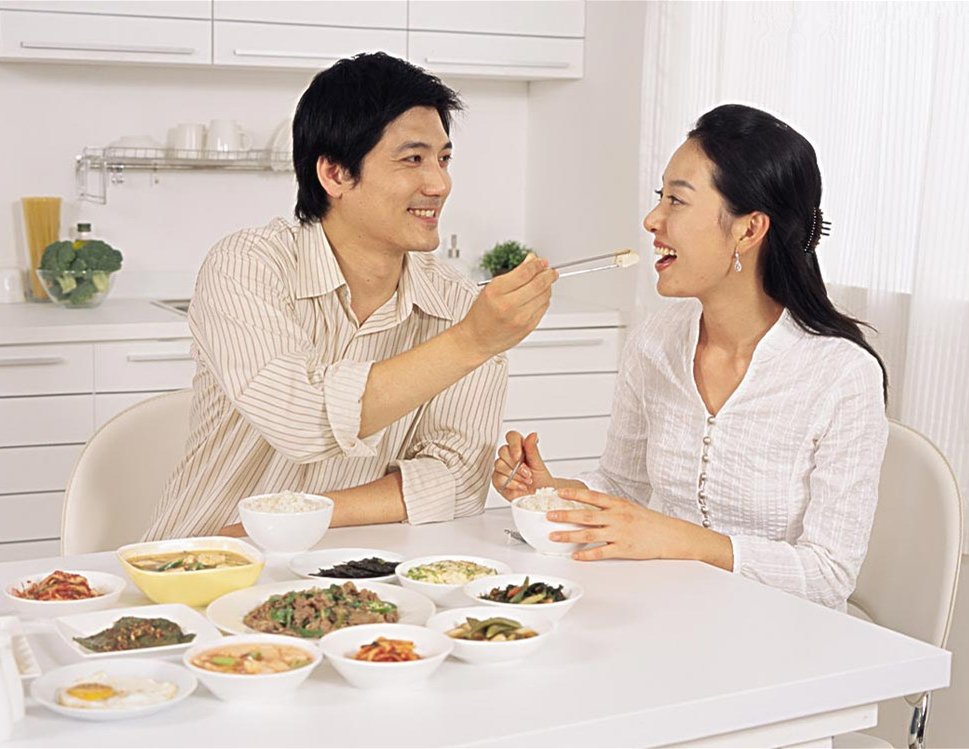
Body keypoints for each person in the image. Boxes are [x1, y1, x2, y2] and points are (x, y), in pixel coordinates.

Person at [144, 52, 557, 541]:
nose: (440, 184)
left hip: (347, 564)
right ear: (335, 174)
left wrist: (295, 516)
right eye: (413, 159)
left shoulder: (459, 305)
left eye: (443, 159)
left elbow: (458, 480)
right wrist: (471, 342)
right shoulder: (247, 264)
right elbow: (301, 419)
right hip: (203, 558)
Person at [494, 104, 889, 611]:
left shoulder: (842, 375)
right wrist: (551, 492)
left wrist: (680, 540)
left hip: (782, 635)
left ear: (748, 230)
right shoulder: (655, 340)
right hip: (665, 612)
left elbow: (829, 576)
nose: (652, 219)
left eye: (676, 201)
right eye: (659, 197)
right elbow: (622, 486)